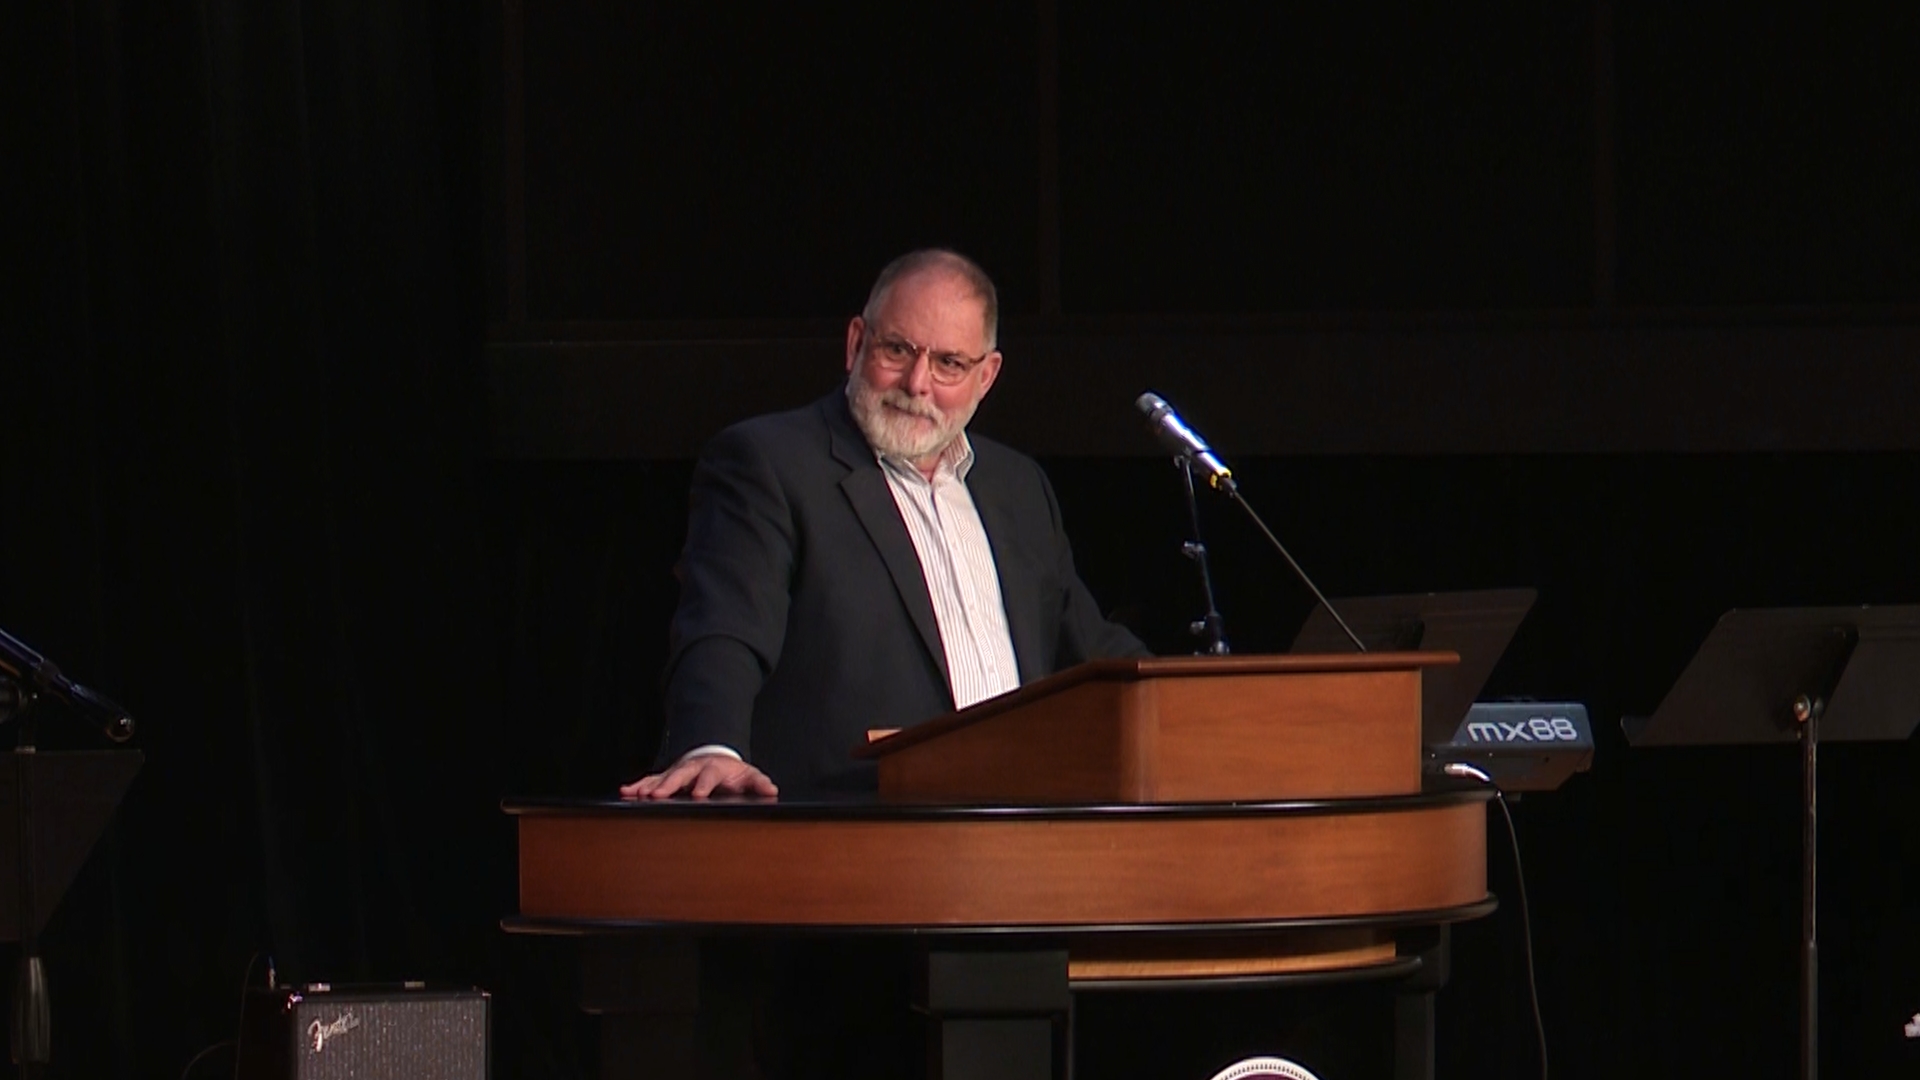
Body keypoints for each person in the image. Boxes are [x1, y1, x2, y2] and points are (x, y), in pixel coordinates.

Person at [621, 248, 1147, 800]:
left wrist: (1213, 702)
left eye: (949, 363)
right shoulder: (770, 463)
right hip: (853, 840)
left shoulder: (1018, 488)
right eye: (897, 350)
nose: (917, 382)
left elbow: (1087, 645)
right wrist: (711, 745)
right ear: (855, 343)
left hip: (1022, 836)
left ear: (986, 376)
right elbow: (724, 627)